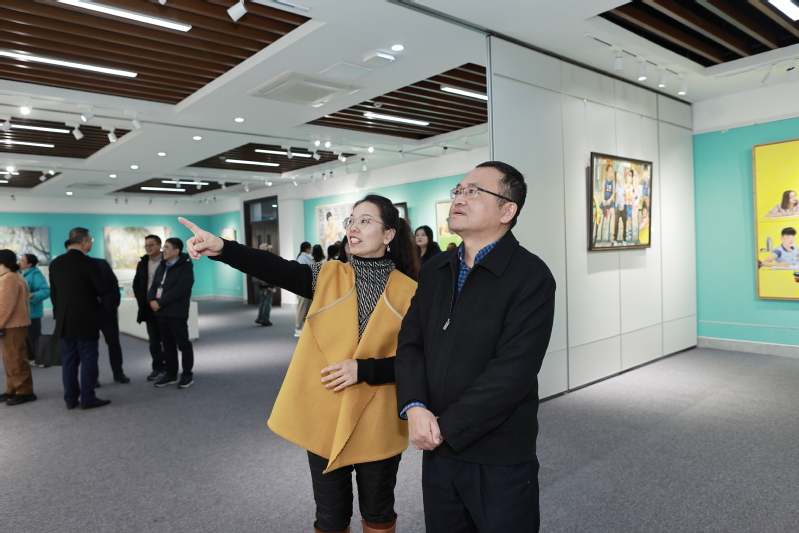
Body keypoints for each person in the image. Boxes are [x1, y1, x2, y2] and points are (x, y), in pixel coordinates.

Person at [178, 193, 420, 533]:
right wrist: (223, 248)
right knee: (331, 517)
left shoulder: (411, 291)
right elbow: (275, 268)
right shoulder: (328, 274)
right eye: (351, 220)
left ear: (389, 234)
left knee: (378, 512)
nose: (353, 227)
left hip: (377, 414)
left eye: (365, 221)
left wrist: (364, 370)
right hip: (325, 414)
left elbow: (418, 361)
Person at [395, 161, 556, 533]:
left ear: (507, 211)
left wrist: (444, 427)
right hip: (437, 449)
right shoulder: (434, 271)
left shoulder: (531, 276)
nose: (459, 199)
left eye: (473, 191)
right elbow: (410, 345)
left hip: (498, 453)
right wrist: (415, 407)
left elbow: (512, 373)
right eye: (458, 191)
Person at [49, 228, 111, 410]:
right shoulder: (89, 263)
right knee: (88, 357)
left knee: (69, 360)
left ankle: (70, 399)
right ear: (84, 242)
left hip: (64, 319)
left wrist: (59, 314)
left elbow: (54, 293)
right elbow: (102, 288)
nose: (91, 243)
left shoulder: (56, 263)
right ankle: (88, 398)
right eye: (91, 240)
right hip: (86, 318)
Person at [147, 237, 195, 389]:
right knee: (167, 346)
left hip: (177, 312)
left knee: (183, 344)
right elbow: (154, 285)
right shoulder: (162, 266)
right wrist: (151, 300)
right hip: (162, 313)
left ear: (176, 251)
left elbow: (181, 290)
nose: (163, 250)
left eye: (166, 247)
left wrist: (160, 302)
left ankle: (187, 374)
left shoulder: (185, 267)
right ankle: (171, 374)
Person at [0, 250, 36, 406]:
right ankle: (13, 389)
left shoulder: (9, 278)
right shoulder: (12, 276)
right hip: (11, 324)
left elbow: (5, 306)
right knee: (9, 359)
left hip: (12, 324)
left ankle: (25, 391)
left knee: (16, 359)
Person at [133, 234, 167, 381]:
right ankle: (157, 367)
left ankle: (169, 367)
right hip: (148, 306)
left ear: (159, 245)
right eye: (146, 245)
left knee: (167, 339)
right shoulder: (143, 263)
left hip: (164, 306)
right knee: (153, 340)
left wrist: (161, 301)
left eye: (151, 245)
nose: (148, 248)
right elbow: (136, 284)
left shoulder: (167, 261)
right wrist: (144, 299)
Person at [95, 257, 129, 383]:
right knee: (90, 346)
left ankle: (118, 373)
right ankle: (93, 377)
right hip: (88, 313)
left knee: (114, 343)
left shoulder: (101, 263)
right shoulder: (78, 266)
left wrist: (115, 303)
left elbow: (113, 282)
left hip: (107, 310)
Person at [18, 253, 49, 364]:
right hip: (20, 312)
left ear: (30, 264)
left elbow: (46, 291)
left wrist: (33, 295)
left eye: (22, 260)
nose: (19, 262)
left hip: (32, 312)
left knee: (34, 337)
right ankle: (30, 357)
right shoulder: (18, 274)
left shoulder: (36, 275)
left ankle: (43, 360)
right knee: (24, 337)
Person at [254, 243, 276, 326]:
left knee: (262, 301)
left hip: (260, 284)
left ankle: (259, 317)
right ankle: (265, 319)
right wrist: (272, 285)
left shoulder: (257, 259)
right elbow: (270, 274)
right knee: (267, 302)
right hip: (267, 284)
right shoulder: (268, 259)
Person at [295, 242, 313, 337]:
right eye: (310, 247)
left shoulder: (307, 257)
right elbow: (301, 273)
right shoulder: (302, 258)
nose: (311, 249)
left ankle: (305, 328)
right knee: (302, 308)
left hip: (307, 287)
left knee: (306, 309)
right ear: (307, 249)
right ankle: (297, 328)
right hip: (302, 287)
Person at [599, 163, 616, 242]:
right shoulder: (604, 181)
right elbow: (602, 192)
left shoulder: (613, 182)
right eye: (609, 171)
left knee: (613, 213)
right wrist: (603, 200)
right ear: (607, 172)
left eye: (611, 171)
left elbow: (613, 193)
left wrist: (610, 200)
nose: (611, 173)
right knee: (599, 213)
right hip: (604, 201)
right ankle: (596, 234)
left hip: (610, 202)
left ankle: (612, 235)